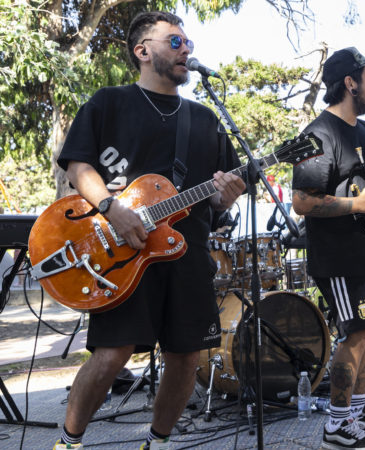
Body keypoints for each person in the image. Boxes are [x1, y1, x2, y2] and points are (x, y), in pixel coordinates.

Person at [52, 12, 246, 450]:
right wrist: (111, 207)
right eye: (175, 42)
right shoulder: (108, 103)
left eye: (188, 42)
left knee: (187, 355)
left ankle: (156, 444)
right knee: (113, 353)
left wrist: (227, 195)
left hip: (187, 250)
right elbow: (79, 166)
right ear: (143, 51)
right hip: (122, 251)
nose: (187, 50)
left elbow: (217, 199)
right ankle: (67, 442)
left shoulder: (205, 119)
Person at [292, 46, 365, 450]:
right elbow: (302, 201)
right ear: (350, 83)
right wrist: (355, 205)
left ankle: (358, 412)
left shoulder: (364, 131)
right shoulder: (318, 134)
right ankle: (336, 425)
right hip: (339, 256)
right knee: (357, 334)